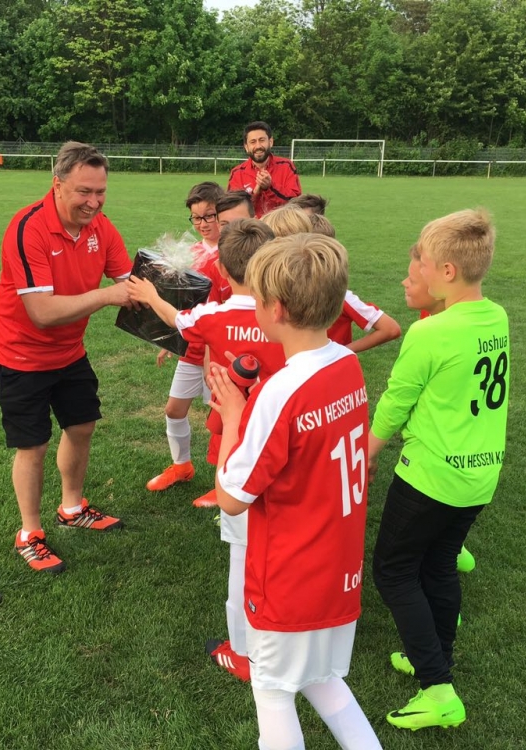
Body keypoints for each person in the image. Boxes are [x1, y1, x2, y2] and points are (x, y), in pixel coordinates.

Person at [210, 233, 381, 750]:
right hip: (337, 569)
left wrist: (234, 419)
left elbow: (232, 497)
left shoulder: (281, 392)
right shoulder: (346, 363)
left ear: (276, 309)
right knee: (322, 680)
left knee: (272, 690)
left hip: (291, 576)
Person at [369, 209, 509, 731]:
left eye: (423, 262)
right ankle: (432, 656)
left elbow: (395, 401)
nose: (418, 269)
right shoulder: (496, 316)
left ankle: (438, 689)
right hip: (480, 474)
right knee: (440, 564)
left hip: (431, 476)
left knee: (393, 570)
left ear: (447, 271)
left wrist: (368, 451)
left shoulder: (431, 332)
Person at [128, 219, 284, 685]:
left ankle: (242, 649)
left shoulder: (213, 316)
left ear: (222, 268)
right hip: (285, 435)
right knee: (277, 537)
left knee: (242, 551)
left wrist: (149, 293)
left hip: (239, 440)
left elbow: (177, 320)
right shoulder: (288, 314)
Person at [0, 141, 134, 574]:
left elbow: (130, 281)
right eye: (83, 192)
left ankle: (72, 507)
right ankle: (30, 533)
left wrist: (184, 306)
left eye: (100, 192)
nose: (93, 202)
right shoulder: (28, 228)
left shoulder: (101, 227)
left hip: (70, 351)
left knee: (82, 425)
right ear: (57, 185)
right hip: (22, 355)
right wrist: (106, 296)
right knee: (32, 446)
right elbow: (42, 312)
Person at [145, 181, 225, 496]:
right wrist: (171, 340)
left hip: (220, 350)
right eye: (196, 217)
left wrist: (211, 354)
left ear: (222, 213)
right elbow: (183, 304)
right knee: (174, 410)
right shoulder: (190, 253)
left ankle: (226, 484)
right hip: (192, 346)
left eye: (209, 216)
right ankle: (182, 466)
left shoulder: (233, 253)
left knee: (223, 418)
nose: (203, 223)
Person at [401, 243, 475, 574]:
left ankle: (448, 545)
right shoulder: (433, 316)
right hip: (464, 455)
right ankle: (449, 545)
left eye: (415, 277)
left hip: (444, 455)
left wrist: (373, 445)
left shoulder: (439, 329)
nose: (405, 282)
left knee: (397, 568)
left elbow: (399, 398)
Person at [268, 207, 402, 356]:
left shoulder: (340, 295)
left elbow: (391, 329)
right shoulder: (278, 290)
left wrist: (344, 351)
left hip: (327, 365)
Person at [227, 121, 301, 218]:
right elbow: (233, 210)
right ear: (246, 147)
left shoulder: (286, 166)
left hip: (281, 226)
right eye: (253, 142)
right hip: (250, 227)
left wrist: (270, 187)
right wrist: (255, 194)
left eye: (262, 140)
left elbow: (296, 203)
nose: (258, 146)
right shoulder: (237, 173)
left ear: (270, 142)